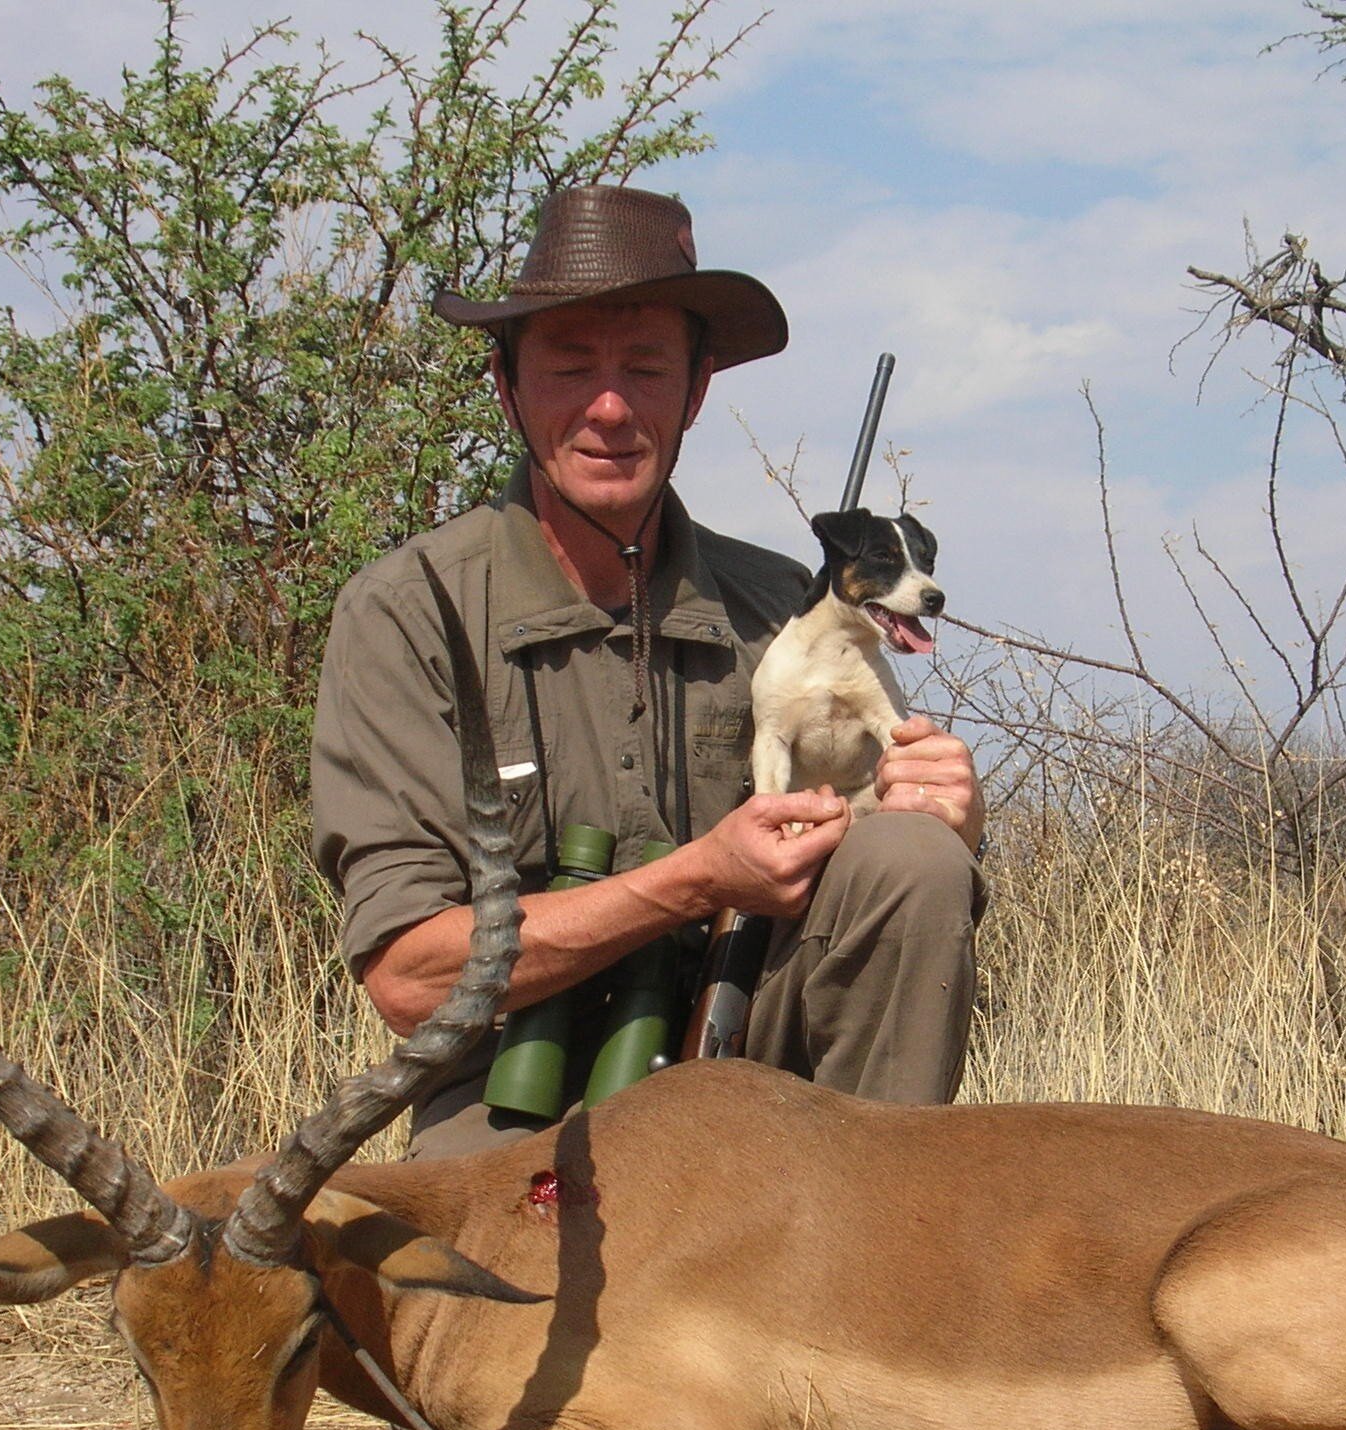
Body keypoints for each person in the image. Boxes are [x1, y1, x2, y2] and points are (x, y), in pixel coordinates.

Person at [311, 184, 985, 1157]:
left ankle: (875, 1223)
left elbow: (881, 855)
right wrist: (691, 880)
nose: (611, 405)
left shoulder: (779, 602)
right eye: (570, 364)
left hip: (754, 1055)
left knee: (915, 860)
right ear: (505, 385)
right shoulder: (408, 608)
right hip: (516, 1076)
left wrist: (940, 812)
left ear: (695, 391)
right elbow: (410, 980)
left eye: (646, 366)